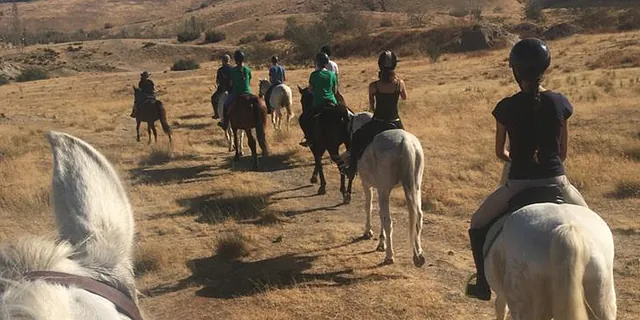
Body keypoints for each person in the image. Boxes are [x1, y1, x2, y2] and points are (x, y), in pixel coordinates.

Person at [465, 38, 589, 301]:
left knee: (476, 225)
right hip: (558, 183)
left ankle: (482, 285)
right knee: (592, 226)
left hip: (518, 185)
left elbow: (500, 153)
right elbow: (562, 153)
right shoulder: (560, 103)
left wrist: (519, 159)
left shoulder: (506, 107)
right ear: (545, 68)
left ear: (516, 70)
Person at [343, 51, 407, 178]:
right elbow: (404, 97)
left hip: (378, 121)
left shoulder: (373, 86)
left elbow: (372, 104)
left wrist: (375, 110)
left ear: (379, 65)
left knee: (356, 138)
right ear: (394, 65)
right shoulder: (400, 83)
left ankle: (351, 169)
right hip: (395, 121)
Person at [299, 52, 338, 148]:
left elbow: (310, 90)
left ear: (317, 63)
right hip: (332, 102)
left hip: (319, 103)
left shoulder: (314, 75)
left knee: (303, 119)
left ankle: (308, 138)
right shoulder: (332, 75)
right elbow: (335, 91)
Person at [218, 50, 253, 130]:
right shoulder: (247, 69)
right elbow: (250, 79)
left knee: (225, 105)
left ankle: (225, 123)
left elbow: (231, 83)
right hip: (248, 92)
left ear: (235, 59)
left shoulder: (233, 70)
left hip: (237, 93)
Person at [211, 54, 233, 119]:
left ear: (222, 61)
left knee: (213, 98)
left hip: (222, 89)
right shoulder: (233, 69)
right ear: (229, 60)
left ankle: (216, 114)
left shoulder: (220, 70)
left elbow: (218, 81)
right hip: (231, 89)